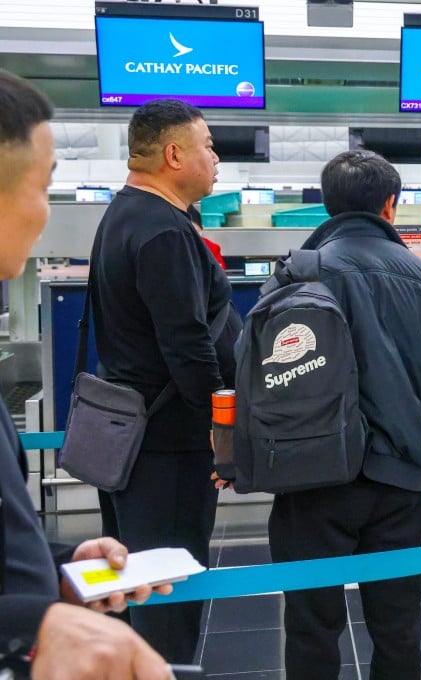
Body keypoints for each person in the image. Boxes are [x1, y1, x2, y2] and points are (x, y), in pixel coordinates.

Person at [0, 68, 173, 680]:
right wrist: (28, 621)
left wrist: (55, 568)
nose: (46, 213)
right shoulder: (161, 231)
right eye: (44, 185)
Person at [267, 150, 421, 680]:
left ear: (328, 206)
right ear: (390, 205)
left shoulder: (300, 270)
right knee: (398, 625)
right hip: (400, 478)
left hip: (312, 478)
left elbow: (259, 372)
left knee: (312, 624)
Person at [89, 99, 239, 664]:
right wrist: (221, 428)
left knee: (131, 583)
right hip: (168, 443)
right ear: (174, 154)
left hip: (133, 434)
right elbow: (187, 343)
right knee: (166, 588)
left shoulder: (126, 213)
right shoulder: (163, 231)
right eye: (207, 147)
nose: (216, 159)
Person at [187, 204, 227, 270]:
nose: (192, 237)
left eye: (196, 232)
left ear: (202, 228)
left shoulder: (212, 248)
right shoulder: (175, 247)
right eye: (188, 233)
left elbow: (219, 274)